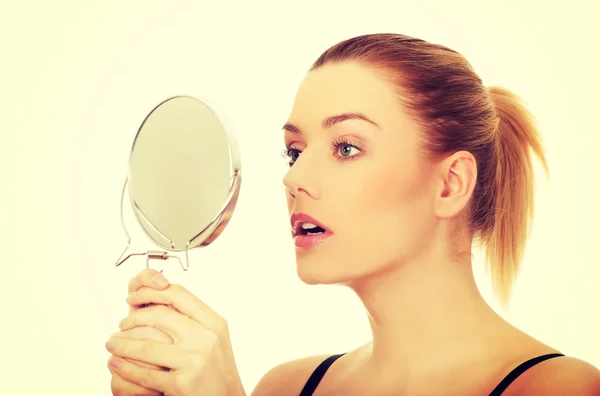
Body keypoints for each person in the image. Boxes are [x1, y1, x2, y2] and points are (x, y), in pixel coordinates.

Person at [105, 33, 600, 395]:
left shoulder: (559, 388)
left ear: (450, 184)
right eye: (294, 151)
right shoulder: (286, 388)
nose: (293, 179)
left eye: (345, 147)